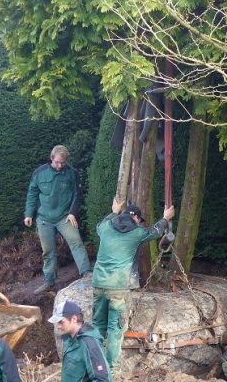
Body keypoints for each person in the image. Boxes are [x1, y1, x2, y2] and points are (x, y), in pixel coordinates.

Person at [91, 198, 175, 377]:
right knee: (115, 329)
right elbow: (156, 231)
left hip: (98, 284)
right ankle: (110, 372)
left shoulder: (105, 227)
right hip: (119, 288)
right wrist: (166, 218)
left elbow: (101, 224)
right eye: (140, 219)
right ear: (136, 218)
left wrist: (114, 211)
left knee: (98, 325)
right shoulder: (137, 233)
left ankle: (94, 366)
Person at [24, 145, 91, 294]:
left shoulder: (72, 173)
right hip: (44, 219)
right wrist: (28, 214)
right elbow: (32, 194)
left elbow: (77, 195)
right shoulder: (39, 173)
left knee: (76, 243)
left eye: (63, 162)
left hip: (64, 217)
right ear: (52, 158)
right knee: (48, 251)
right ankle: (49, 281)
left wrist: (72, 213)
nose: (60, 166)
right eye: (57, 162)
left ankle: (86, 273)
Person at [49, 300, 111, 382]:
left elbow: (103, 379)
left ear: (74, 319)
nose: (58, 326)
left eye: (61, 322)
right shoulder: (69, 338)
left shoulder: (89, 343)